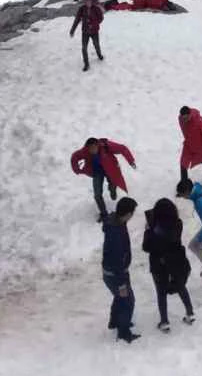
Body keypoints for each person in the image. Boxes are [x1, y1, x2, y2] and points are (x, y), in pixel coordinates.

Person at [142, 197, 194, 331]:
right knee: (181, 286)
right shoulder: (178, 223)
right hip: (177, 261)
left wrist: (148, 230)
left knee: (161, 292)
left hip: (159, 264)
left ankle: (164, 322)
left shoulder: (154, 229)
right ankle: (190, 312)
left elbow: (146, 247)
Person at [70, 136, 137, 221]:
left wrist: (131, 161)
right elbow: (74, 156)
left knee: (113, 183)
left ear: (98, 145)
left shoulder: (106, 146)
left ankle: (112, 190)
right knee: (97, 195)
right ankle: (104, 213)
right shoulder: (84, 151)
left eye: (94, 148)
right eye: (90, 149)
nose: (92, 150)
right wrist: (77, 169)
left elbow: (122, 148)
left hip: (110, 170)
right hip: (97, 173)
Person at [102, 196, 139, 343]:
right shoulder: (115, 232)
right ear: (128, 213)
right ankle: (124, 332)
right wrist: (122, 284)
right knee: (127, 300)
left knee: (120, 297)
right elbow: (116, 260)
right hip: (116, 274)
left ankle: (114, 321)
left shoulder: (117, 223)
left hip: (114, 272)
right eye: (132, 212)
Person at [178, 106, 202, 188]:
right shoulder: (181, 120)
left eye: (186, 117)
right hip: (189, 145)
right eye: (183, 118)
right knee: (183, 164)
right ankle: (184, 186)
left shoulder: (199, 122)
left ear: (190, 115)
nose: (185, 120)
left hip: (201, 147)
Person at [70, 0, 105, 71]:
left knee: (96, 44)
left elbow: (101, 18)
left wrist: (93, 24)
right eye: (85, 1)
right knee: (84, 48)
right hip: (85, 32)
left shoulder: (96, 8)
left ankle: (99, 55)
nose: (87, 2)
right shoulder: (82, 9)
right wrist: (72, 30)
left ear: (91, 1)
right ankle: (86, 64)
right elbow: (77, 20)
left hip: (94, 31)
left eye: (89, 1)